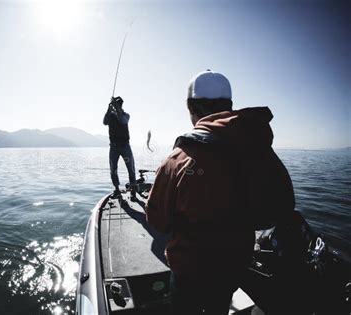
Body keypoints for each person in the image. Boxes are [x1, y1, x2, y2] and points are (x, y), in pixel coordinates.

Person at [145, 70, 295, 314]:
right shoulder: (257, 149)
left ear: (190, 107)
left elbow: (157, 221)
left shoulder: (176, 160)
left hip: (188, 272)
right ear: (229, 106)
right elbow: (280, 205)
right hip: (233, 268)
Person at [103, 96, 137, 201]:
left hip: (125, 146)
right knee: (113, 170)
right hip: (113, 147)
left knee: (131, 169)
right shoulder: (111, 116)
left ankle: (133, 192)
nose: (115, 106)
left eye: (117, 104)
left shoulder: (126, 115)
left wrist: (116, 107)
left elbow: (122, 120)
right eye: (115, 104)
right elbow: (104, 122)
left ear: (121, 105)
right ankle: (117, 190)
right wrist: (108, 109)